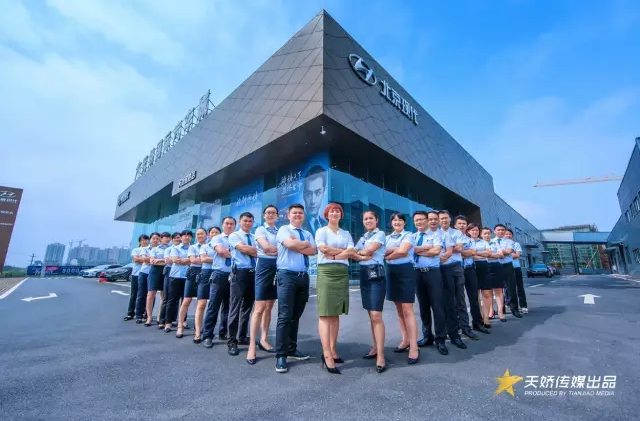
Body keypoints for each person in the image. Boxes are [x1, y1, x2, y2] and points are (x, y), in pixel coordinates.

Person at [274, 203, 316, 374]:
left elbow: (313, 251)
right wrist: (303, 244)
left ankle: (291, 348)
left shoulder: (307, 233)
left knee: (295, 316)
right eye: (294, 213)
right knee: (284, 316)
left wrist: (298, 244)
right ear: (288, 216)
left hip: (303, 277)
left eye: (300, 213)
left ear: (303, 216)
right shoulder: (283, 229)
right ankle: (281, 355)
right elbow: (290, 245)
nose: (297, 215)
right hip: (287, 276)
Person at [315, 203, 356, 374]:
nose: (335, 213)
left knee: (335, 313)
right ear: (326, 214)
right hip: (326, 272)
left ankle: (332, 350)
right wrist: (342, 251)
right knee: (325, 313)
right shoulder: (321, 231)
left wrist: (334, 255)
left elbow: (351, 251)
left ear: (341, 215)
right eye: (331, 211)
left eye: (338, 211)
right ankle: (326, 355)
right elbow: (323, 249)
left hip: (341, 273)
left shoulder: (346, 233)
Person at [353, 210, 387, 372]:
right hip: (364, 276)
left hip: (376, 275)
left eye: (370, 218)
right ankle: (375, 347)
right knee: (370, 315)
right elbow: (353, 253)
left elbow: (367, 251)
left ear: (376, 220)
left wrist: (362, 254)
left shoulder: (380, 234)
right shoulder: (363, 237)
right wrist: (362, 255)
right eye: (365, 219)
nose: (368, 221)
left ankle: (381, 355)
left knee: (376, 315)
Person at [385, 213, 420, 365]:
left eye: (400, 220)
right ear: (391, 223)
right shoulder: (387, 237)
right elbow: (385, 251)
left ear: (404, 223)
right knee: (399, 309)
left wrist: (388, 255)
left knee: (407, 310)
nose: (397, 222)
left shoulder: (409, 235)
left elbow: (403, 251)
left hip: (406, 271)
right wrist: (395, 249)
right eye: (394, 220)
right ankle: (405, 340)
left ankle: (414, 346)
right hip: (391, 272)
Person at [413, 211, 450, 355]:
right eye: (416, 220)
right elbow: (410, 250)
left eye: (421, 219)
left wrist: (417, 251)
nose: (419, 222)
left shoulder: (436, 235)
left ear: (427, 220)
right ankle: (427, 336)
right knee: (423, 307)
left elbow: (436, 251)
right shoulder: (413, 236)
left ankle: (440, 339)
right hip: (417, 273)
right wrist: (426, 248)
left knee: (437, 306)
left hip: (433, 273)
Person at [247, 206, 279, 365]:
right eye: (268, 213)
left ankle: (264, 339)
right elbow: (266, 248)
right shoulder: (260, 230)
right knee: (259, 308)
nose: (270, 215)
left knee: (269, 307)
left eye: (273, 213)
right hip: (264, 268)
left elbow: (275, 249)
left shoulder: (280, 231)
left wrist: (274, 250)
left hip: (277, 268)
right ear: (264, 215)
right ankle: (252, 346)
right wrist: (279, 249)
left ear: (277, 216)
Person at [438, 210, 476, 343]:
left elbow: (459, 248)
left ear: (450, 219)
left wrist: (443, 249)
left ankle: (465, 327)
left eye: (446, 218)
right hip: (440, 268)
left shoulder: (457, 233)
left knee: (460, 298)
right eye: (441, 218)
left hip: (455, 267)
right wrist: (447, 248)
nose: (444, 220)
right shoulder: (435, 233)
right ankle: (449, 329)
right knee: (445, 301)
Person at [227, 212, 258, 356]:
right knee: (235, 307)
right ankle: (231, 341)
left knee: (247, 307)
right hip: (239, 274)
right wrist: (255, 250)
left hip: (253, 273)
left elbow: (257, 252)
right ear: (240, 221)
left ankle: (242, 336)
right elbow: (244, 249)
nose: (247, 223)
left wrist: (254, 250)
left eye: (250, 221)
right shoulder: (234, 236)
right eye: (245, 220)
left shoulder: (254, 237)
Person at [202, 217, 235, 348]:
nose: (229, 226)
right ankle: (207, 335)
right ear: (223, 225)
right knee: (213, 306)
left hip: (233, 275)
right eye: (227, 223)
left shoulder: (236, 238)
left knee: (228, 307)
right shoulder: (217, 238)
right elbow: (221, 251)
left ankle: (223, 332)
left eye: (232, 224)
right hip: (219, 274)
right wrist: (238, 253)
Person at [455, 217, 490, 335]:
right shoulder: (451, 237)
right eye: (459, 223)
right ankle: (459, 324)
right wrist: (464, 253)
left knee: (474, 297)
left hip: (470, 269)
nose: (461, 225)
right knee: (457, 299)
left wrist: (460, 252)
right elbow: (454, 252)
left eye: (464, 223)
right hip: (457, 270)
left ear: (466, 226)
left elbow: (472, 252)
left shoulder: (469, 239)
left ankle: (477, 323)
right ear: (455, 225)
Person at [176, 228, 207, 338]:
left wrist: (201, 259)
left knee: (201, 302)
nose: (200, 236)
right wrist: (205, 259)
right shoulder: (192, 247)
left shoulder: (209, 246)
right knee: (186, 300)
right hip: (193, 273)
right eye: (198, 234)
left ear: (206, 235)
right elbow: (193, 260)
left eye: (202, 234)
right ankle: (180, 326)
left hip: (205, 273)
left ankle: (198, 330)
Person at [195, 226, 220, 344]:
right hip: (205, 274)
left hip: (218, 273)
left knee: (215, 304)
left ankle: (212, 330)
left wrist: (220, 255)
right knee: (202, 303)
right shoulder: (204, 246)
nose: (214, 234)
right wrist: (219, 256)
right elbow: (203, 259)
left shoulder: (223, 245)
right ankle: (198, 332)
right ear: (209, 235)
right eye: (212, 232)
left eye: (216, 232)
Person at [492, 224, 522, 318]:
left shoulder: (509, 241)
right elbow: (489, 252)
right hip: (496, 266)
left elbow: (509, 251)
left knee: (511, 288)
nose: (501, 231)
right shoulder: (491, 242)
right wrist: (499, 254)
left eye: (502, 230)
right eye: (498, 230)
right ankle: (501, 310)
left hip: (507, 266)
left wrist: (499, 253)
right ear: (494, 231)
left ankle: (514, 309)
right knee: (498, 289)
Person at [165, 230, 192, 333]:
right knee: (172, 300)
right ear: (181, 237)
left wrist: (184, 260)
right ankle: (168, 322)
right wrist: (189, 260)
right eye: (184, 235)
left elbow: (196, 260)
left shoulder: (193, 248)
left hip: (188, 277)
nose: (186, 237)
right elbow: (175, 260)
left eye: (189, 236)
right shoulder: (175, 248)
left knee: (185, 300)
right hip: (176, 276)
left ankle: (183, 321)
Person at [469, 225, 493, 328]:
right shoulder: (466, 241)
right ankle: (478, 317)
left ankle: (486, 317)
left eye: (476, 230)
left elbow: (489, 253)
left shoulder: (483, 242)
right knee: (475, 294)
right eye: (472, 230)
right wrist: (481, 254)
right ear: (469, 231)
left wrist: (475, 253)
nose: (475, 232)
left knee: (486, 293)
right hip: (471, 267)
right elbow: (467, 254)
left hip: (483, 266)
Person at [145, 232, 170, 327]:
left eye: (169, 237)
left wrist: (158, 260)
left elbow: (171, 261)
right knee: (151, 294)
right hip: (155, 271)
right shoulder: (155, 249)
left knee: (164, 295)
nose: (167, 239)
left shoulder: (171, 249)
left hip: (166, 271)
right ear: (161, 239)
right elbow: (152, 261)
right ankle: (149, 316)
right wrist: (164, 260)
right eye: (165, 237)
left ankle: (160, 316)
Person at [483, 227, 506, 321]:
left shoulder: (495, 243)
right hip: (485, 267)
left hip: (496, 267)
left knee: (498, 290)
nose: (487, 235)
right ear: (481, 235)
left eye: (488, 233)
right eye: (485, 233)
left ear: (491, 234)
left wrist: (488, 255)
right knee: (488, 291)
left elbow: (501, 255)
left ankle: (500, 312)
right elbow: (479, 255)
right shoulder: (480, 244)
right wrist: (494, 255)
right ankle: (491, 311)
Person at [159, 232, 181, 329]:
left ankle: (172, 319)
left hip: (179, 272)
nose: (177, 239)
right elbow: (167, 261)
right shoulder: (169, 249)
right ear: (172, 239)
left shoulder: (183, 248)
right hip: (169, 271)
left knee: (176, 297)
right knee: (167, 296)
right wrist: (177, 260)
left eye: (178, 238)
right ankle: (162, 320)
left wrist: (177, 260)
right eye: (175, 238)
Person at [124, 234, 148, 321]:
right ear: (139, 241)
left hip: (146, 274)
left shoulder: (150, 249)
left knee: (145, 295)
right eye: (143, 240)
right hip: (136, 274)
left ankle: (144, 313)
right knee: (134, 294)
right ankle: (130, 313)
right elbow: (135, 260)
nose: (144, 241)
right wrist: (145, 260)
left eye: (146, 240)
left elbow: (147, 260)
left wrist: (143, 260)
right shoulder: (136, 250)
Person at [135, 233, 157, 324]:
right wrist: (154, 260)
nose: (155, 240)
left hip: (155, 274)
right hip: (144, 273)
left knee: (152, 295)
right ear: (150, 239)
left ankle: (148, 315)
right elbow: (144, 259)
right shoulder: (145, 249)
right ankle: (139, 315)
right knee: (141, 294)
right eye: (153, 238)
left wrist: (153, 260)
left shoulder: (160, 249)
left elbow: (164, 260)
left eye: (157, 238)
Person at [505, 229, 527, 314]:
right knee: (507, 288)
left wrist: (505, 253)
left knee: (519, 287)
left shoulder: (516, 244)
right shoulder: (502, 245)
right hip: (506, 267)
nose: (508, 236)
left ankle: (523, 306)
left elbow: (517, 255)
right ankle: (508, 304)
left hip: (516, 268)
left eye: (509, 234)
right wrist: (510, 253)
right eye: (506, 234)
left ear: (512, 235)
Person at [301, 166, 328, 236]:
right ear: (303, 195)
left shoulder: (326, 224)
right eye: (309, 193)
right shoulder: (297, 224)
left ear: (324, 192)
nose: (313, 200)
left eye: (318, 192)